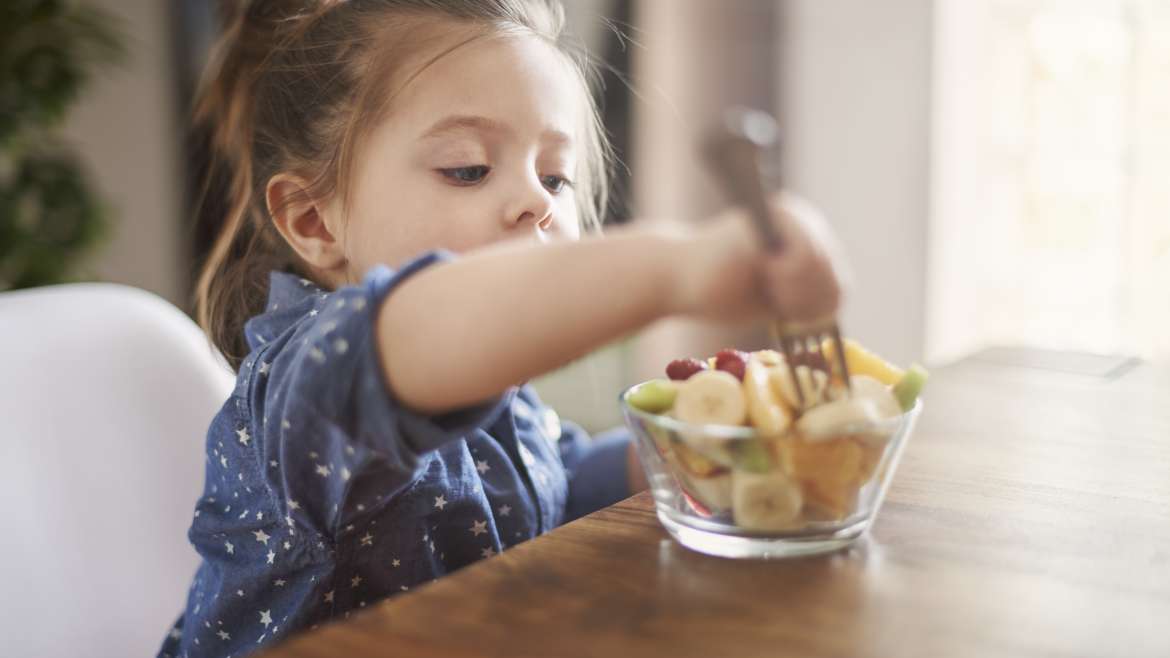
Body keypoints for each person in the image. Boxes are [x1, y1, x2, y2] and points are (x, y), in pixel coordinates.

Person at [160, 1, 846, 656]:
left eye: (556, 178)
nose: (534, 202)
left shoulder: (494, 389)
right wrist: (679, 266)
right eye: (468, 169)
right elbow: (420, 327)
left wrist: (683, 448)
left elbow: (554, 487)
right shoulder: (308, 383)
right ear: (314, 221)